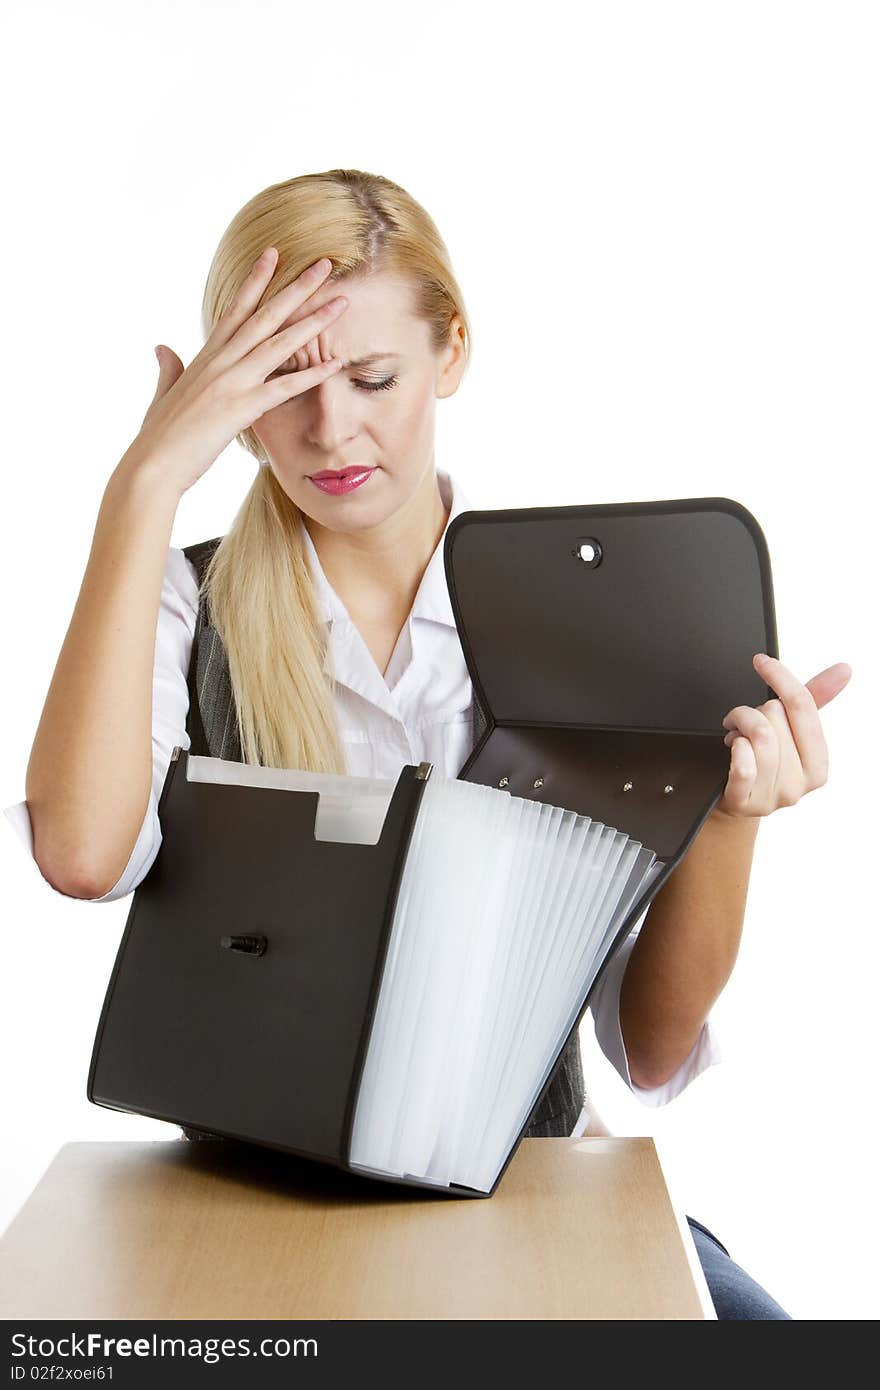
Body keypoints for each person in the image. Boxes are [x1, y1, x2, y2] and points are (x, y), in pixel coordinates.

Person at [11, 168, 851, 1320]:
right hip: (250, 1204)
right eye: (283, 381)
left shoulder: (576, 621)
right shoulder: (176, 603)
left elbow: (649, 1052)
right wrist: (145, 480)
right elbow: (83, 854)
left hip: (527, 1190)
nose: (327, 430)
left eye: (370, 377)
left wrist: (731, 818)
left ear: (450, 354)